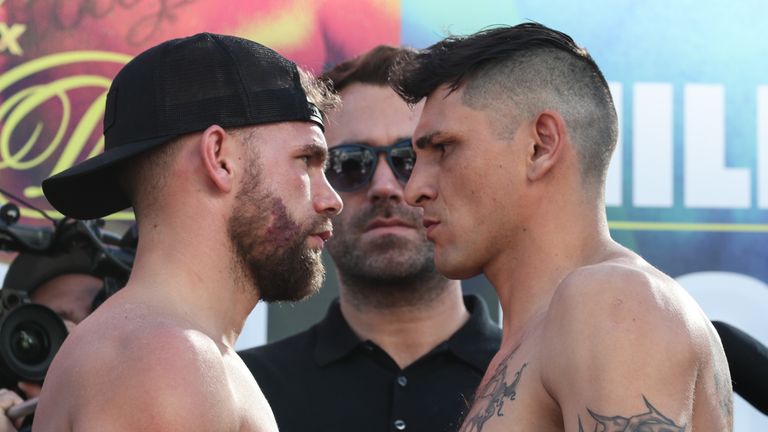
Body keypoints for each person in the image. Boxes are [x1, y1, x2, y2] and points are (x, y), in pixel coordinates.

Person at [391, 23, 733, 431]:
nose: (413, 190)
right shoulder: (539, 334)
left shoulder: (611, 301)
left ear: (540, 146)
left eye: (443, 148)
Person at [34, 32, 342, 431]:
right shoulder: (167, 358)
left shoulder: (173, 350)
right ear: (219, 158)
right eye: (306, 159)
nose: (331, 198)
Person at [239, 45, 501, 432]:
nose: (385, 187)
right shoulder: (246, 390)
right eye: (349, 163)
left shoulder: (535, 377)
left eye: (409, 158)